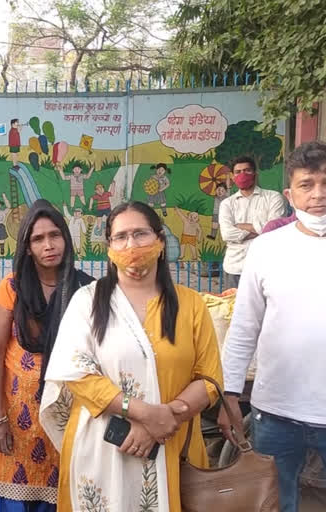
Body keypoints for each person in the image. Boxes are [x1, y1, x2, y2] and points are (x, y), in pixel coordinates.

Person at [40, 201, 223, 512]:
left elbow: (209, 378)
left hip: (173, 443)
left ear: (160, 241)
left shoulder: (190, 304)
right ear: (109, 247)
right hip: (104, 447)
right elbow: (76, 374)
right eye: (121, 236)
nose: (131, 244)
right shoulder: (87, 302)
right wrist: (144, 414)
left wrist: (164, 419)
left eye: (141, 234)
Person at [219, 141, 326, 512]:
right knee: (277, 504)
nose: (318, 194)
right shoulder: (267, 248)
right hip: (277, 412)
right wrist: (228, 393)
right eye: (307, 184)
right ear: (289, 194)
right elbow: (244, 326)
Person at [0, 199, 94, 511]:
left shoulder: (86, 289)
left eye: (55, 235)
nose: (48, 245)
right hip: (16, 420)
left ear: (66, 238)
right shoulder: (12, 287)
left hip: (65, 417)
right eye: (38, 238)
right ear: (27, 246)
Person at [218, 156, 286, 288]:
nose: (242, 175)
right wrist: (261, 229)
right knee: (234, 307)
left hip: (265, 267)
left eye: (247, 170)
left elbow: (274, 230)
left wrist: (241, 226)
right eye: (238, 172)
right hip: (235, 267)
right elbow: (227, 234)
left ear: (255, 173)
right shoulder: (227, 204)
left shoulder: (273, 198)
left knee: (266, 308)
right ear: (232, 176)